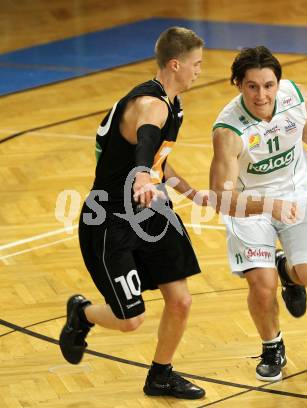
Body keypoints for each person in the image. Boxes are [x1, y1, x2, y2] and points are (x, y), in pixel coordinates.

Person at [59, 26, 208, 399]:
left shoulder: (173, 102)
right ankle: (83, 314)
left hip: (152, 209)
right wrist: (141, 173)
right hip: (110, 219)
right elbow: (145, 141)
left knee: (181, 300)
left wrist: (191, 192)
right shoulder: (151, 104)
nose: (199, 71)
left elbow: (158, 158)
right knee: (130, 320)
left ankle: (160, 374)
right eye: (196, 64)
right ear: (175, 64)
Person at [209, 46, 307, 381]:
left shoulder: (298, 98)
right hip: (249, 207)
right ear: (238, 84)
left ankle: (286, 271)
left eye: (268, 85)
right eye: (252, 86)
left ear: (279, 82)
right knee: (262, 285)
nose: (262, 95)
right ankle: (271, 346)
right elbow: (222, 198)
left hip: (298, 195)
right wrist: (267, 205)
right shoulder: (228, 131)